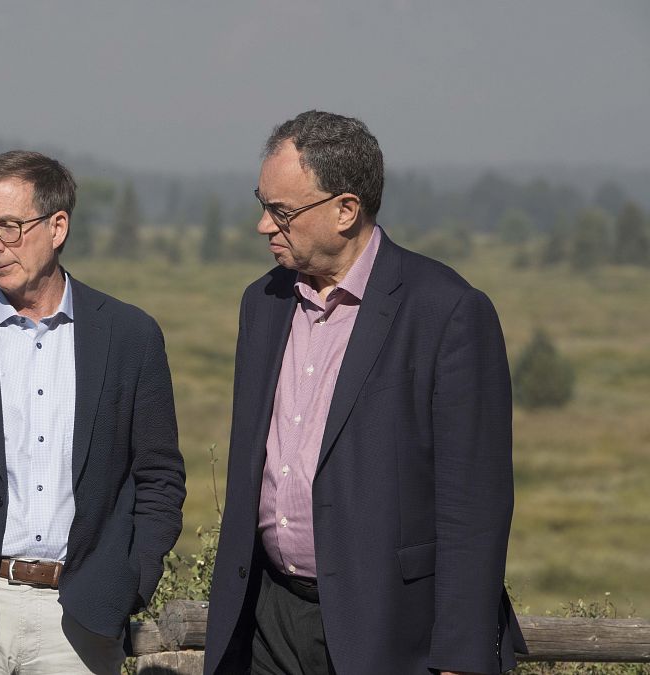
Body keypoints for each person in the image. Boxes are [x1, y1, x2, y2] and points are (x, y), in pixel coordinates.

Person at [204, 111, 526, 675]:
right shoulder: (263, 302)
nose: (263, 225)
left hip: (389, 627)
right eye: (262, 203)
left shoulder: (445, 311)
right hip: (268, 618)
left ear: (345, 210)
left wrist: (460, 656)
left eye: (281, 211)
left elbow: (474, 506)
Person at [0, 150, 186, 674]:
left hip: (81, 619)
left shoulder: (130, 337)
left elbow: (159, 477)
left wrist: (130, 580)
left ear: (58, 226)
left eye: (9, 226)